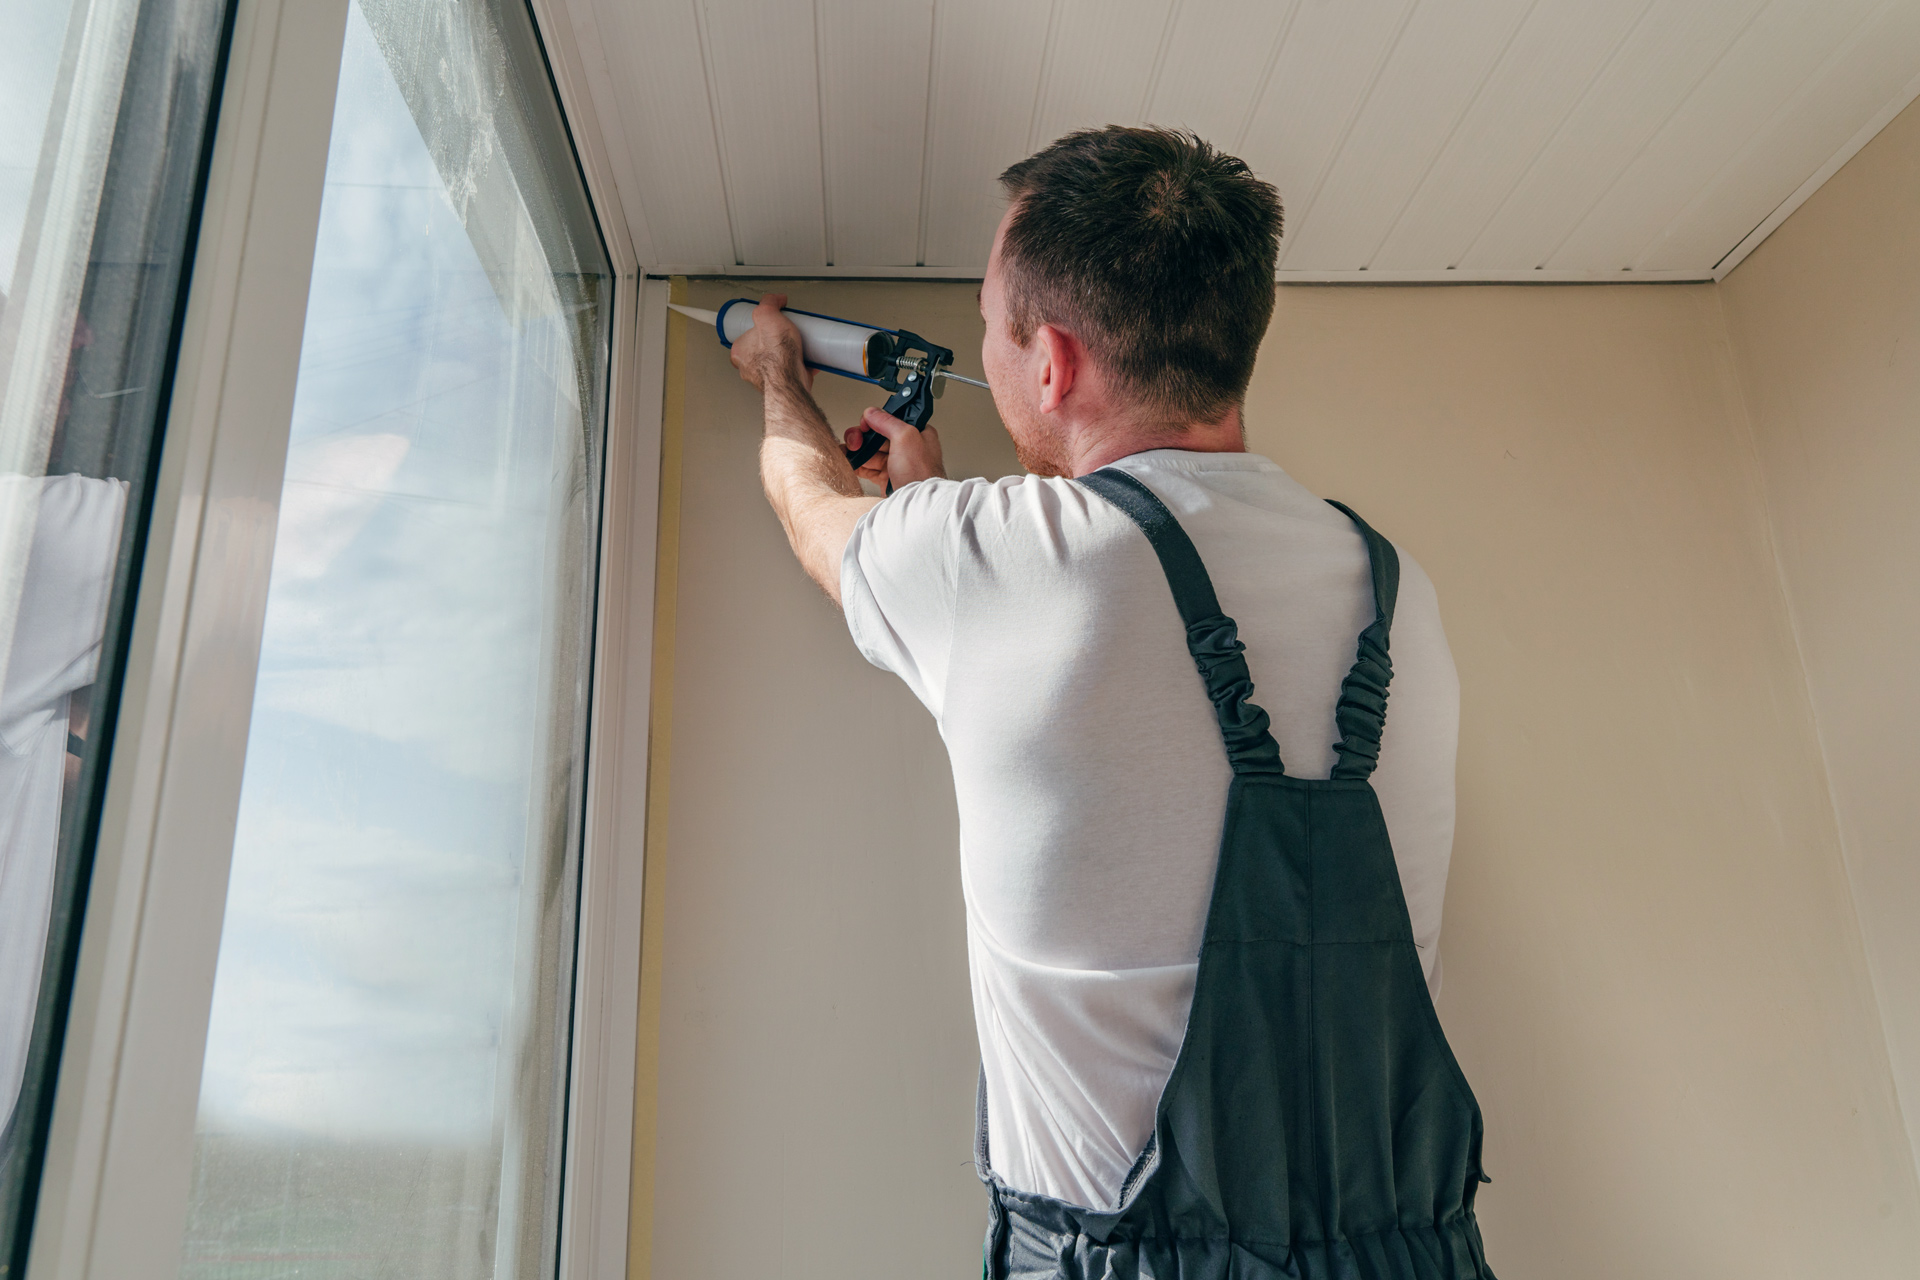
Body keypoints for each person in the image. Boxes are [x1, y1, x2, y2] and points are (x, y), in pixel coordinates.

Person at [729, 126, 1493, 1278]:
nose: (988, 338)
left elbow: (812, 509)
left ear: (1053, 362)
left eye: (996, 320)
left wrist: (777, 371)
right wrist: (943, 518)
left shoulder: (1002, 566)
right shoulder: (1396, 586)